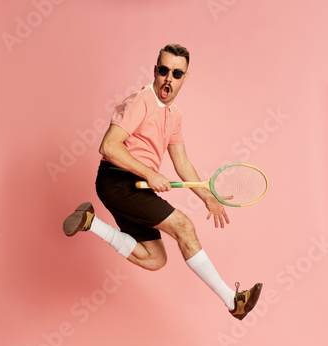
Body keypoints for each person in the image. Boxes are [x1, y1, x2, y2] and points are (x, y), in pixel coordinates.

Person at [63, 43, 262, 320]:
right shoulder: (141, 101)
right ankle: (232, 300)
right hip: (119, 180)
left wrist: (208, 197)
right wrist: (150, 173)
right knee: (184, 226)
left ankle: (90, 222)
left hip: (132, 186)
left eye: (177, 73)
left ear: (185, 78)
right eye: (164, 70)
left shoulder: (174, 115)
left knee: (155, 258)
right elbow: (108, 146)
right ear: (155, 71)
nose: (169, 78)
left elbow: (182, 163)